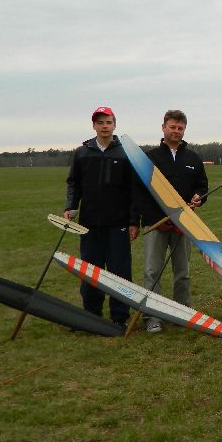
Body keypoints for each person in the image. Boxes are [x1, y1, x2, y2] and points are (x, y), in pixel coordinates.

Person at [134, 110, 209, 333]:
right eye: (172, 127)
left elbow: (202, 186)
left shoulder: (193, 158)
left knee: (182, 272)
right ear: (163, 127)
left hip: (183, 224)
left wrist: (199, 197)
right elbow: (140, 193)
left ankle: (182, 312)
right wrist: (157, 218)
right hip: (156, 224)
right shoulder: (150, 158)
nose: (176, 131)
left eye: (180, 128)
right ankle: (152, 316)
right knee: (152, 271)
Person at [64, 106, 139, 327]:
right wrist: (71, 206)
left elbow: (134, 190)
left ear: (114, 125)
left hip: (118, 224)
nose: (104, 126)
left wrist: (133, 221)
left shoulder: (125, 153)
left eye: (108, 122)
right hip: (89, 224)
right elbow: (74, 183)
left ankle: (119, 317)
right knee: (91, 271)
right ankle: (91, 315)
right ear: (94, 126)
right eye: (100, 122)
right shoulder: (82, 152)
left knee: (119, 272)